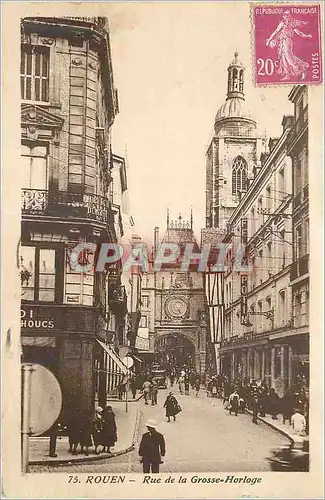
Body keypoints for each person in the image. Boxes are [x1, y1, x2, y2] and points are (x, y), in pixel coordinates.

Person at [266, 10, 312, 81]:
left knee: (289, 57)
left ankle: (303, 69)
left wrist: (307, 36)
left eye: (287, 15)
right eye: (285, 15)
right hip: (282, 42)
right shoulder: (282, 23)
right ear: (283, 16)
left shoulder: (292, 23)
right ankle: (287, 75)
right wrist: (269, 40)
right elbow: (276, 32)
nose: (286, 16)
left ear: (290, 16)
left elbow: (298, 32)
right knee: (283, 58)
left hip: (287, 41)